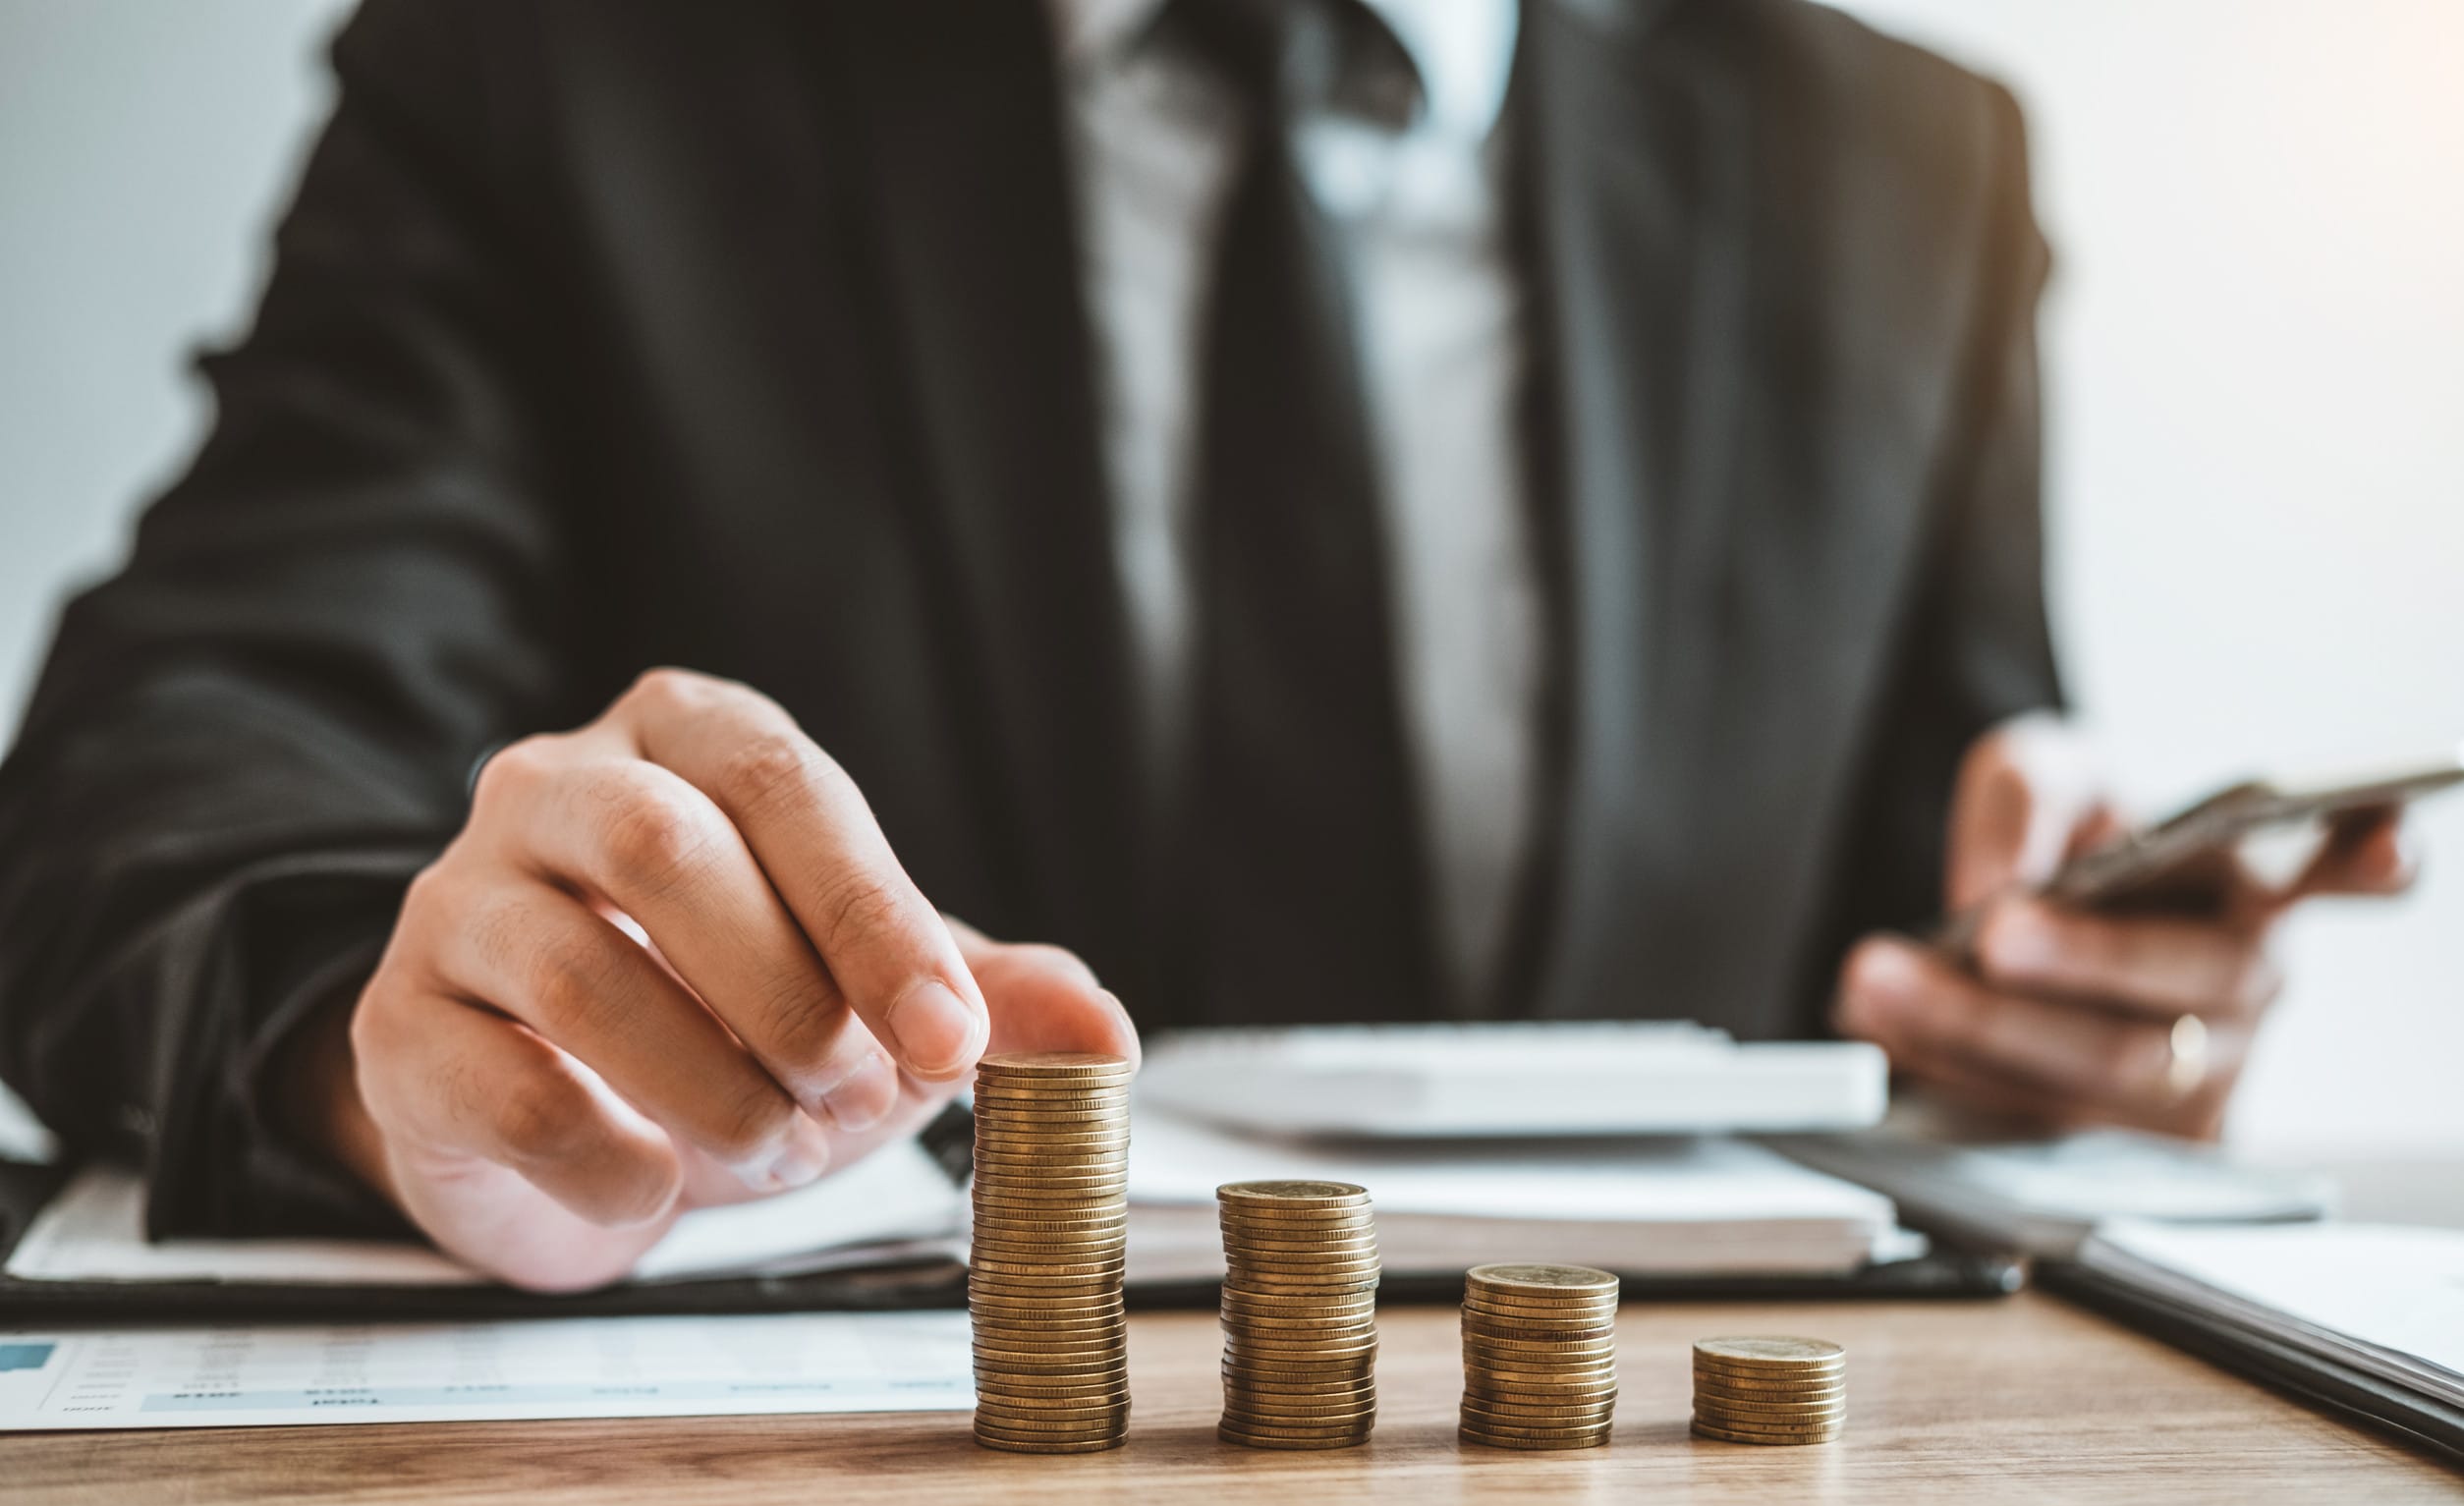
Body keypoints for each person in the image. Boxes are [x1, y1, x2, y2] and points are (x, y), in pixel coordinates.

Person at [0, 0, 2413, 1291]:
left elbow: (1948, 888)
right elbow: (181, 744)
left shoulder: (1916, 171)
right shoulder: (569, 63)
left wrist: (2079, 1006)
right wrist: (390, 1040)